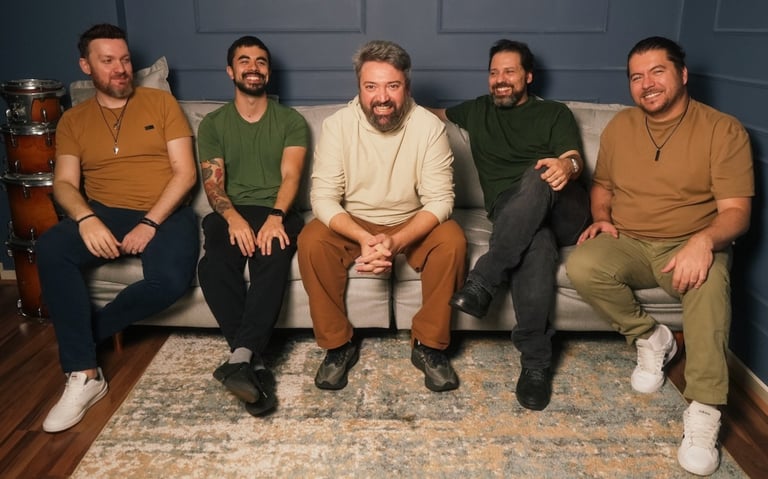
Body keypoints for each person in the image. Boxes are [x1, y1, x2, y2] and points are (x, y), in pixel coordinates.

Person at [565, 36, 753, 476]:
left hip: (689, 243)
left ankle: (704, 409)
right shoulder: (621, 127)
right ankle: (651, 338)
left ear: (682, 75)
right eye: (636, 76)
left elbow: (736, 213)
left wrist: (704, 242)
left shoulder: (723, 130)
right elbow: (602, 187)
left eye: (657, 71)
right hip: (629, 240)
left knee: (710, 286)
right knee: (581, 262)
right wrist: (602, 218)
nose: (646, 83)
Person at [36, 24, 199, 433]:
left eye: (125, 59)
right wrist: (87, 219)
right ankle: (85, 374)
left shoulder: (161, 104)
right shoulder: (73, 120)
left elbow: (185, 174)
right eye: (108, 61)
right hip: (104, 212)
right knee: (53, 248)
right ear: (86, 65)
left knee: (171, 280)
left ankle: (87, 337)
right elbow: (65, 185)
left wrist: (150, 221)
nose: (121, 69)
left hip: (165, 211)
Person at [428, 39, 590, 411]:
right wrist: (386, 98)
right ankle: (535, 364)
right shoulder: (476, 111)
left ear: (528, 77)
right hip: (515, 217)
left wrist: (568, 166)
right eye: (494, 72)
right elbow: (430, 113)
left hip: (566, 206)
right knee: (538, 244)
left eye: (510, 72)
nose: (500, 80)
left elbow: (572, 158)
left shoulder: (554, 114)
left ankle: (484, 279)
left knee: (538, 173)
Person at [297, 40, 466, 392]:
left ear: (407, 85)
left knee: (452, 240)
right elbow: (323, 198)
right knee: (311, 239)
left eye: (392, 85)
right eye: (371, 86)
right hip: (354, 221)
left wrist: (393, 241)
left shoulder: (428, 127)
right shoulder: (337, 126)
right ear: (359, 88)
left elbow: (440, 200)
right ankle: (337, 346)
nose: (382, 97)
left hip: (411, 220)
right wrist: (363, 239)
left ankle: (429, 346)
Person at [196, 36, 309, 416]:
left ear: (268, 71)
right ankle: (252, 362)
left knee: (272, 254)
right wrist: (232, 218)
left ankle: (241, 358)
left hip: (277, 210)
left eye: (261, 61)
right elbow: (213, 183)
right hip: (231, 211)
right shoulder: (213, 124)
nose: (253, 67)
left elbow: (291, 176)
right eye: (244, 60)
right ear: (231, 71)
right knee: (212, 265)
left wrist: (275, 217)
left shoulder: (291, 121)